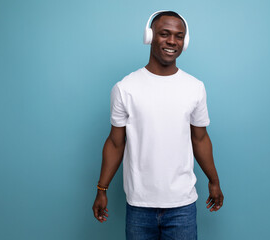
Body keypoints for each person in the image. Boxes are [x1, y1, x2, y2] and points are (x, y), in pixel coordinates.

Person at [92, 10, 224, 239]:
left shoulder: (195, 87)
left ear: (185, 41)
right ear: (149, 36)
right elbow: (115, 143)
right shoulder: (125, 88)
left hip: (182, 205)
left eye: (179, 36)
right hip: (139, 206)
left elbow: (200, 138)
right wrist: (102, 188)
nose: (172, 41)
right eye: (165, 34)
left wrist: (214, 180)